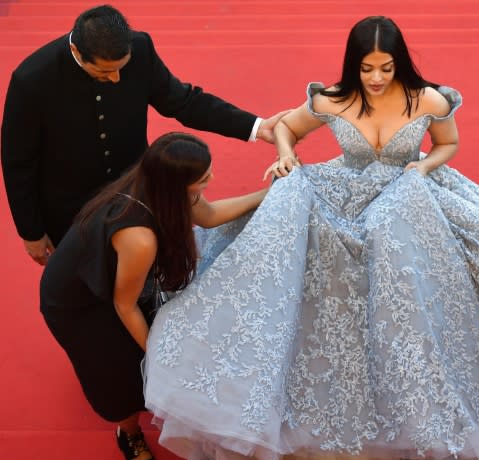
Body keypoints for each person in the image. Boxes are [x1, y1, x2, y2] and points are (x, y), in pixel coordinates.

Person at [143, 16, 479, 460]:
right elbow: (285, 129)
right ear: (352, 67)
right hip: (342, 191)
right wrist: (289, 155)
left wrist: (422, 168)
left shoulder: (430, 98)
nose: (376, 79)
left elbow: (448, 144)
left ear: (399, 62)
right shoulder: (331, 99)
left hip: (415, 191)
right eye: (366, 69)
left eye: (385, 67)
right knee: (327, 284)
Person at [39, 132, 269, 460]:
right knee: (117, 375)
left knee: (134, 356)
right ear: (176, 183)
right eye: (203, 178)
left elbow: (209, 216)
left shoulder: (160, 187)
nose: (211, 180)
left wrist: (267, 196)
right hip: (78, 303)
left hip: (113, 281)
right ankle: (128, 432)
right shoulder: (139, 237)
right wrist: (159, 356)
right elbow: (125, 306)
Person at [1, 4, 286, 265]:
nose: (115, 79)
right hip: (71, 210)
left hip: (135, 191)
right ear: (77, 52)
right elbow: (18, 163)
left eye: (121, 69)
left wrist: (256, 126)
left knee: (145, 272)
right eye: (104, 72)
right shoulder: (32, 80)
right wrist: (31, 231)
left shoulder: (141, 48)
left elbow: (184, 102)